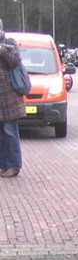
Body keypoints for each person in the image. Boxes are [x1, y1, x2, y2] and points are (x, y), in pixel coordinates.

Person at [0, 18, 26, 178]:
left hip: (9, 98)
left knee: (10, 132)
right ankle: (3, 165)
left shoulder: (10, 42)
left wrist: (1, 49)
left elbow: (14, 61)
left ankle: (14, 166)